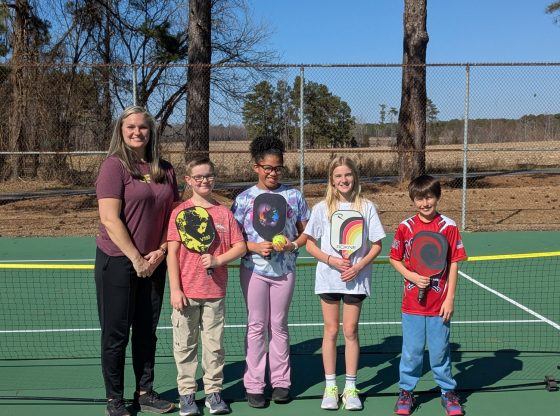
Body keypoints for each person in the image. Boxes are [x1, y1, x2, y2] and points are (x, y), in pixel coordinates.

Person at [94, 106, 179, 416]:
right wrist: (136, 258)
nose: (136, 132)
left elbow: (174, 215)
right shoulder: (113, 167)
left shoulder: (165, 169)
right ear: (121, 130)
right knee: (116, 335)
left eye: (143, 127)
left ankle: (145, 392)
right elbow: (109, 218)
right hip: (118, 262)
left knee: (146, 331)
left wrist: (161, 251)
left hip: (153, 263)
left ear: (151, 132)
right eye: (130, 127)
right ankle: (114, 401)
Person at [231, 136, 310, 408]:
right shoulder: (243, 200)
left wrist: (292, 244)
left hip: (284, 271)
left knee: (278, 326)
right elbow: (234, 241)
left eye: (278, 168)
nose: (273, 173)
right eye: (268, 167)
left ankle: (281, 383)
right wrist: (253, 246)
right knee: (256, 326)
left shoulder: (294, 196)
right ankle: (254, 385)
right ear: (256, 167)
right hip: (253, 270)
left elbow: (306, 235)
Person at [303, 156, 385, 411]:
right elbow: (309, 244)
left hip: (355, 279)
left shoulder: (366, 206)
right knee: (330, 331)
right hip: (329, 278)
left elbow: (377, 245)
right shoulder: (321, 208)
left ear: (355, 177)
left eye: (347, 175)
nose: (343, 180)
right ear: (331, 179)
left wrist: (358, 267)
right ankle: (330, 387)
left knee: (350, 331)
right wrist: (331, 260)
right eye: (338, 176)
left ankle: (350, 387)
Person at [167, 156, 246, 416]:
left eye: (209, 176)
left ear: (215, 177)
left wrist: (217, 259)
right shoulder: (180, 212)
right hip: (187, 294)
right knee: (185, 346)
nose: (204, 181)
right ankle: (187, 396)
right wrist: (176, 290)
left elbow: (240, 246)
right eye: (198, 177)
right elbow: (172, 254)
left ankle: (214, 394)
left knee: (214, 346)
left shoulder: (224, 213)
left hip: (215, 293)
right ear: (189, 181)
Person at [388, 174, 467, 416]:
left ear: (437, 197)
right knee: (411, 350)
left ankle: (448, 392)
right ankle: (406, 392)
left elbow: (454, 262)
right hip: (412, 303)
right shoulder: (405, 227)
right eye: (419, 198)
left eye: (429, 197)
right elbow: (394, 258)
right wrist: (411, 277)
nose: (425, 203)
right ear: (413, 200)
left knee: (440, 350)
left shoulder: (449, 227)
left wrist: (450, 297)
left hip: (439, 304)